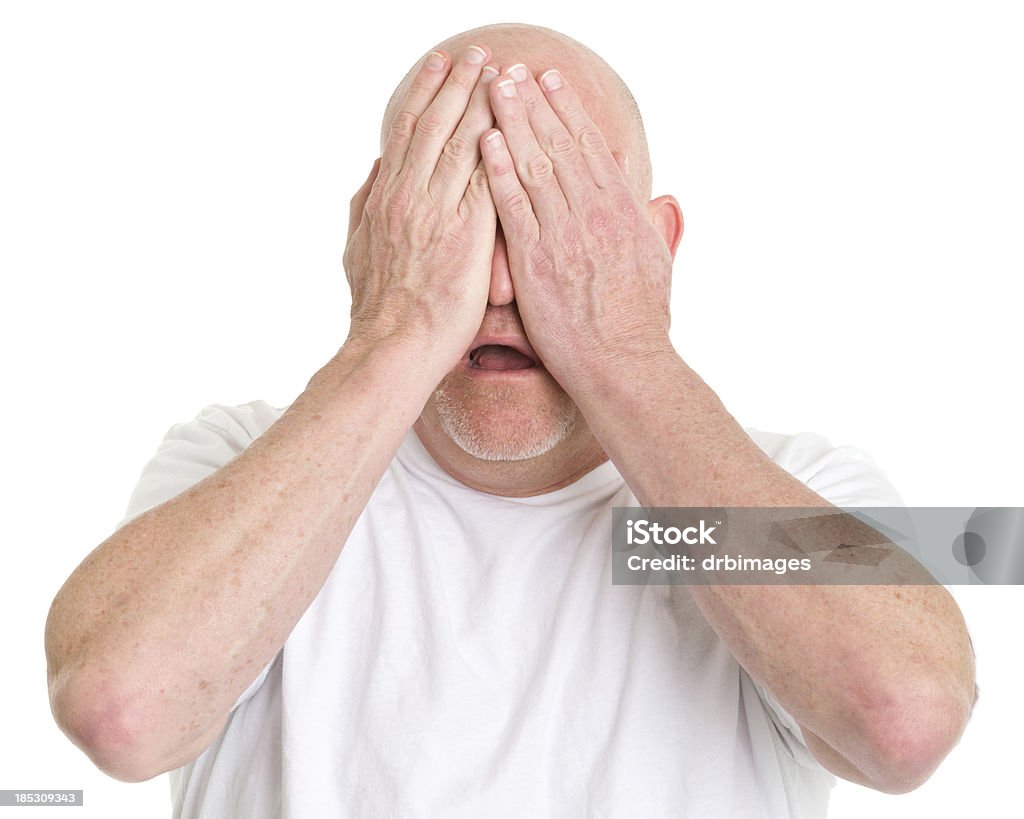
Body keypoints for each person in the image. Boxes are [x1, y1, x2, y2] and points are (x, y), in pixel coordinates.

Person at [45, 22, 976, 818]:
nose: (499, 284)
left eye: (556, 221)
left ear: (656, 249)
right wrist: (399, 328)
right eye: (461, 217)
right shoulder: (235, 457)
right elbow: (122, 710)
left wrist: (625, 353)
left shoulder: (805, 483)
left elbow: (905, 722)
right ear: (379, 233)